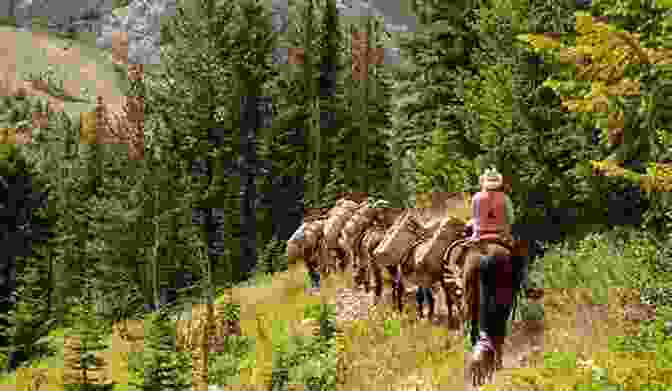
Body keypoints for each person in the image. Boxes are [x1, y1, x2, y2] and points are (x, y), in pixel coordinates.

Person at [468, 167, 517, 373]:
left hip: (479, 239)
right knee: (519, 260)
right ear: (498, 183)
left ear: (484, 183)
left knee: (464, 258)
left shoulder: (476, 198)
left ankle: (466, 296)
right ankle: (523, 286)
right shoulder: (505, 199)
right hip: (501, 239)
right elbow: (511, 220)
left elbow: (474, 220)